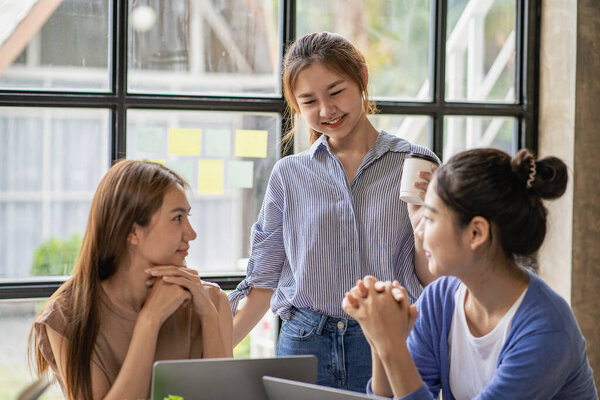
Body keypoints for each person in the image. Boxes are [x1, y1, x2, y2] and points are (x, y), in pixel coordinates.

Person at [228, 31, 439, 392]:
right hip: (303, 341)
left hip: (389, 338)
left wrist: (422, 224)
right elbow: (262, 285)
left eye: (336, 92)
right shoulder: (289, 175)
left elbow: (430, 275)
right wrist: (198, 363)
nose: (326, 111)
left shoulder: (414, 163)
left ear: (362, 78)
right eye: (308, 101)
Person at [343, 148, 598, 399]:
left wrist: (391, 345)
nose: (419, 231)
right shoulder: (440, 298)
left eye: (430, 218)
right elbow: (401, 392)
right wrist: (379, 338)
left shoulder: (546, 331)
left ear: (476, 233)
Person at [28, 160, 233, 400]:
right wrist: (149, 320)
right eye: (177, 218)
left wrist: (209, 317)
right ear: (133, 232)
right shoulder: (67, 317)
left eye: (187, 216)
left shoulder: (211, 302)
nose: (192, 233)